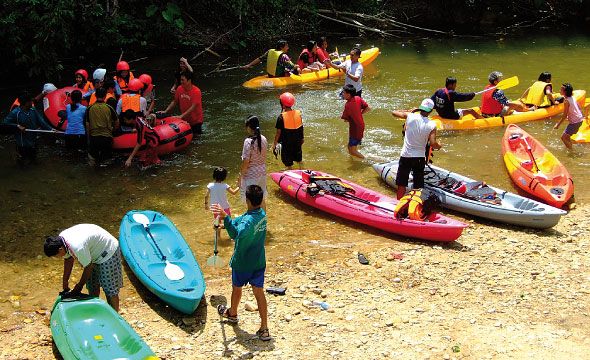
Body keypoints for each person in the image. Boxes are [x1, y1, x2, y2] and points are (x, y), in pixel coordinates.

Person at [211, 185, 270, 342]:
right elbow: (241, 221)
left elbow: (236, 233)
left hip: (242, 262)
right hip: (258, 261)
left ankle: (233, 314)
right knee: (259, 292)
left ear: (247, 200)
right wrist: (224, 224)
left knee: (237, 289)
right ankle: (264, 329)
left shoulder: (249, 220)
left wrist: (225, 216)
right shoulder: (261, 214)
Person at [43, 224, 123, 312]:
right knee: (92, 285)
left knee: (109, 289)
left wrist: (79, 286)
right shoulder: (61, 240)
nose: (57, 258)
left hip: (107, 251)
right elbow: (68, 259)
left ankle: (115, 314)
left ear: (60, 249)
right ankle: (95, 309)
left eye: (56, 256)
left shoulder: (78, 247)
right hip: (92, 252)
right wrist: (65, 281)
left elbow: (88, 267)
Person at [396, 98, 441, 199]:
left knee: (401, 184)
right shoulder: (432, 125)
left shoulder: (410, 116)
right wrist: (439, 145)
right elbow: (433, 144)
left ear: (420, 108)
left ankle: (398, 203)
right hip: (419, 158)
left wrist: (411, 111)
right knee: (418, 186)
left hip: (406, 156)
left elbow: (394, 113)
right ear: (431, 111)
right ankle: (415, 205)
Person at [3, 92, 54, 164]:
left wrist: (50, 129)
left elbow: (41, 121)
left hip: (33, 140)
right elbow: (5, 122)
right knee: (22, 162)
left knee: (33, 159)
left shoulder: (33, 110)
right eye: (31, 101)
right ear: (26, 103)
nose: (32, 102)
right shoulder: (15, 113)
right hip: (22, 143)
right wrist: (17, 126)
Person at [238, 115, 268, 213]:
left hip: (251, 175)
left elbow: (246, 161)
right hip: (262, 172)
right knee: (261, 198)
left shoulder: (248, 141)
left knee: (251, 202)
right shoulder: (263, 138)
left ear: (249, 127)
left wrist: (240, 175)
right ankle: (263, 221)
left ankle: (253, 224)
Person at [84, 87, 118, 166]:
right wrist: (112, 130)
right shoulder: (109, 108)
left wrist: (88, 137)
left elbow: (87, 124)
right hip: (106, 137)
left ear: (95, 95)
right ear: (105, 96)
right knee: (106, 162)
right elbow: (117, 121)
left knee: (92, 159)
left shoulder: (90, 108)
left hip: (94, 137)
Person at [205, 167, 240, 239]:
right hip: (225, 207)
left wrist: (206, 204)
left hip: (216, 209)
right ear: (224, 177)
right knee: (229, 222)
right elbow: (233, 192)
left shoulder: (210, 185)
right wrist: (239, 186)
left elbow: (206, 195)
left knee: (218, 223)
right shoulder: (225, 186)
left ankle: (218, 237)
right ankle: (232, 237)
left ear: (214, 175)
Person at [272, 92, 304, 169]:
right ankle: (302, 169)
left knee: (288, 162)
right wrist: (302, 138)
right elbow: (301, 128)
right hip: (297, 142)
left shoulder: (281, 117)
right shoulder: (298, 113)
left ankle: (290, 171)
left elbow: (278, 133)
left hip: (287, 144)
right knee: (299, 159)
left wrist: (274, 144)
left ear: (282, 105)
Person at [341, 84, 370, 159]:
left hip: (355, 129)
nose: (342, 94)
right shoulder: (358, 98)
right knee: (350, 146)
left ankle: (366, 160)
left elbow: (346, 119)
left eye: (343, 93)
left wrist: (350, 118)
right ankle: (352, 160)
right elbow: (368, 108)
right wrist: (359, 114)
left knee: (352, 151)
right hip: (360, 126)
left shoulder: (348, 105)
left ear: (348, 95)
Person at [554, 83, 584, 150]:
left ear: (565, 92)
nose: (560, 90)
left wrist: (558, 125)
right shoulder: (572, 98)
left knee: (563, 138)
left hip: (575, 122)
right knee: (567, 137)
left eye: (561, 90)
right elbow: (578, 107)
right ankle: (570, 147)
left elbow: (564, 115)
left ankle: (571, 152)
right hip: (579, 120)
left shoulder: (566, 102)